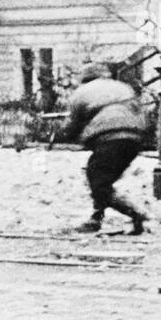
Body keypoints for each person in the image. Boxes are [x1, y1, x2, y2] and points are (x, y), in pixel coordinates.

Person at [59, 62, 148, 234]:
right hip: (134, 138)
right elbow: (140, 111)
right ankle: (99, 218)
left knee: (98, 182)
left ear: (85, 78)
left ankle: (135, 213)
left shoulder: (82, 92)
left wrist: (67, 134)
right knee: (102, 179)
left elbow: (72, 125)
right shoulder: (123, 87)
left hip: (109, 137)